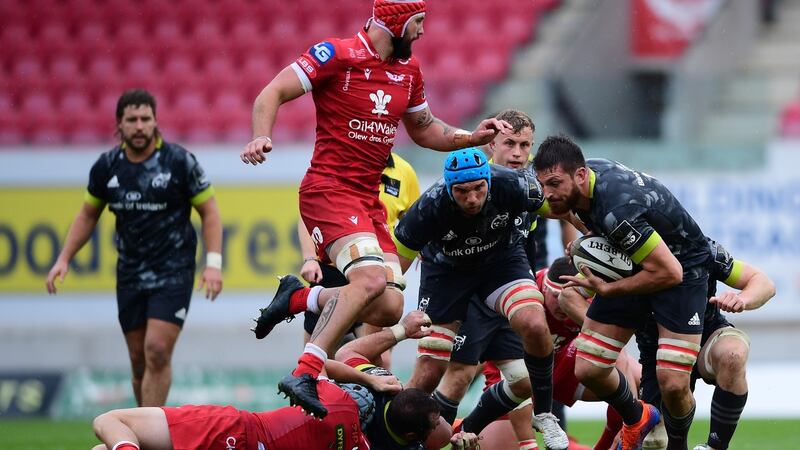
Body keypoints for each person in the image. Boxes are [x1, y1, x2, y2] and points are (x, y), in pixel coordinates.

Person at [241, 0, 512, 418]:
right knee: (368, 280)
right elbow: (272, 91)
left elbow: (425, 130)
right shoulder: (336, 54)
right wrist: (260, 136)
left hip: (367, 201)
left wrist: (471, 137)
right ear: (395, 22)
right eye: (418, 23)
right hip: (329, 190)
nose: (422, 33)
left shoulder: (410, 70)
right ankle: (306, 370)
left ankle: (299, 299)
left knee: (387, 306)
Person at [45, 89, 223, 407]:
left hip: (174, 271)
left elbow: (209, 212)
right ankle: (144, 427)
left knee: (156, 350)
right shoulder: (107, 167)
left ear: (155, 122)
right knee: (138, 360)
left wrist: (213, 263)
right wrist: (64, 258)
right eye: (132, 120)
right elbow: (88, 214)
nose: (139, 126)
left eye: (146, 119)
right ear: (119, 124)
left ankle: (149, 434)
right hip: (130, 274)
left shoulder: (179, 162)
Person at [534, 134, 712, 450]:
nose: (547, 194)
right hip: (635, 261)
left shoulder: (617, 210)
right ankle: (639, 417)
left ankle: (677, 444)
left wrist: (608, 288)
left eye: (554, 184)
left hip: (682, 271)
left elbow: (670, 272)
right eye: (542, 185)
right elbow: (564, 211)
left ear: (578, 175)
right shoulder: (585, 181)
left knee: (672, 383)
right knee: (589, 367)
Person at [392, 147, 578, 450]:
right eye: (463, 192)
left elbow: (563, 211)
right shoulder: (429, 206)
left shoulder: (514, 184)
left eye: (479, 189)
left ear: (488, 180)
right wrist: (389, 301)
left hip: (501, 265)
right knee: (431, 371)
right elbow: (397, 260)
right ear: (449, 187)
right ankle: (394, 440)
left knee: (534, 324)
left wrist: (591, 238)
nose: (473, 199)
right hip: (448, 275)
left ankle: (543, 413)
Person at [430, 110, 587, 450]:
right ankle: (425, 438)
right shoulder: (475, 185)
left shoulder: (532, 184)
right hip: (473, 292)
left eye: (525, 145)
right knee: (459, 376)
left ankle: (474, 432)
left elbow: (562, 213)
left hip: (514, 286)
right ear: (490, 145)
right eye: (510, 144)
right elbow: (431, 224)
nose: (518, 152)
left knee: (526, 371)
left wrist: (587, 243)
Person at [91, 311, 468, 450]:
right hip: (239, 434)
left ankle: (304, 297)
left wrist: (400, 332)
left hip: (238, 431)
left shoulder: (354, 400)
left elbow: (335, 361)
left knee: (112, 437)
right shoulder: (373, 408)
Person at [633, 239, 775, 450]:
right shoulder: (626, 253)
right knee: (654, 443)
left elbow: (763, 283)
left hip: (706, 336)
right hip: (656, 355)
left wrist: (742, 299)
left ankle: (715, 446)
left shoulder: (697, 245)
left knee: (733, 354)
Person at [298, 152, 421, 358]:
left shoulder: (404, 171)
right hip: (334, 265)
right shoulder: (340, 161)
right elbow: (308, 215)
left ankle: (302, 299)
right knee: (320, 355)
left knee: (378, 358)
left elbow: (415, 219)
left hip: (379, 271)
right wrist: (310, 259)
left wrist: (421, 244)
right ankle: (303, 301)